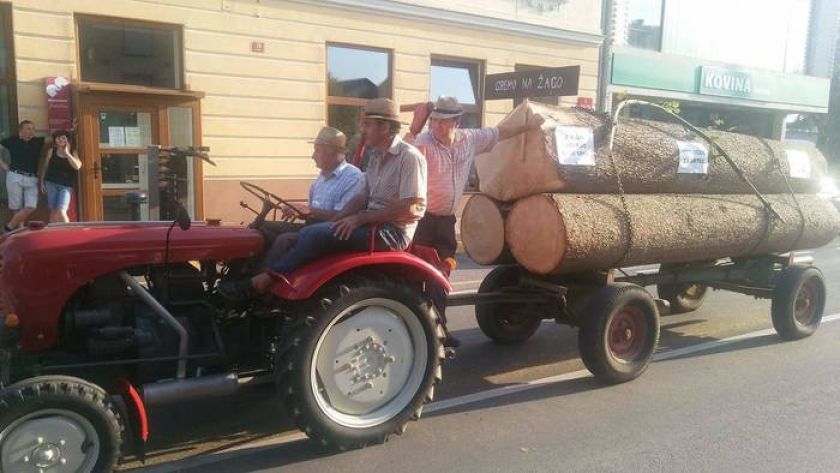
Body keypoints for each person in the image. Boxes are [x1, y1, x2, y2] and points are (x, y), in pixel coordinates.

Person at [220, 98, 426, 300]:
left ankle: (264, 281)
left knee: (313, 234)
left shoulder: (409, 157)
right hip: (371, 224)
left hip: (392, 233)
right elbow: (362, 196)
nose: (362, 130)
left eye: (368, 124)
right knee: (284, 229)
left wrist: (359, 219)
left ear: (385, 127)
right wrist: (338, 218)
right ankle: (243, 276)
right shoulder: (375, 157)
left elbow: (411, 207)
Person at [404, 96, 544, 346]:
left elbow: (501, 132)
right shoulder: (423, 142)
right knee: (419, 277)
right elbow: (402, 154)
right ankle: (417, 332)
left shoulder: (469, 139)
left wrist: (529, 126)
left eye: (443, 122)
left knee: (441, 276)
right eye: (434, 121)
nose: (437, 126)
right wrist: (414, 128)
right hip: (423, 222)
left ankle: (438, 331)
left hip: (446, 223)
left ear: (457, 122)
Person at [257, 126, 362, 271]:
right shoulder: (321, 178)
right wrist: (297, 210)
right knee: (263, 227)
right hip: (312, 227)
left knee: (284, 240)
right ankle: (246, 270)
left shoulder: (353, 177)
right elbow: (312, 211)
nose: (313, 156)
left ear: (333, 151)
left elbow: (342, 216)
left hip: (330, 233)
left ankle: (264, 278)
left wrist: (309, 210)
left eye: (317, 151)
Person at [0, 121, 47, 232]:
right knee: (16, 207)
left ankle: (9, 227)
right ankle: (19, 232)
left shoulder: (38, 141)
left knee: (31, 206)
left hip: (32, 178)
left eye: (33, 129)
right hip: (15, 176)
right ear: (20, 130)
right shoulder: (12, 141)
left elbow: (56, 138)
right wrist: (3, 165)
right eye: (28, 128)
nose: (31, 131)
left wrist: (72, 130)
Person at [38, 130, 82, 223]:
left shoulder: (72, 152)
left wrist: (67, 154)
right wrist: (42, 182)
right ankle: (54, 231)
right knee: (53, 211)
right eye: (58, 138)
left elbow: (77, 166)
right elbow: (45, 167)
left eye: (63, 138)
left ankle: (68, 231)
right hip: (51, 183)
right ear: (55, 140)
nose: (61, 140)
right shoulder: (52, 151)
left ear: (67, 140)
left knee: (62, 211)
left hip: (66, 186)